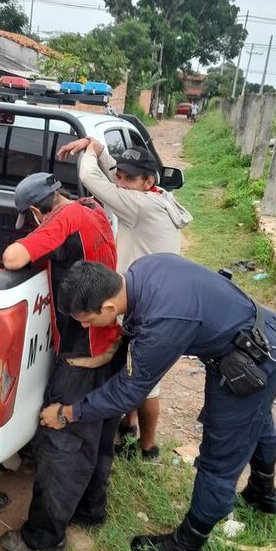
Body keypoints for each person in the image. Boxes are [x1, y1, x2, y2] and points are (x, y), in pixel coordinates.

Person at [39, 255, 276, 551]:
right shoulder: (143, 270)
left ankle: (186, 545)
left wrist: (67, 413)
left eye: (87, 320)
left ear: (107, 309)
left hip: (250, 359)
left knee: (221, 451)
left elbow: (129, 392)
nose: (86, 326)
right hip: (255, 333)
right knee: (257, 421)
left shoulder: (161, 323)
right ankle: (263, 492)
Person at [0, 172, 122, 551]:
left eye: (31, 218)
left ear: (37, 210)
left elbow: (12, 257)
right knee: (97, 434)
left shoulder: (63, 221)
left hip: (83, 348)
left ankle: (44, 535)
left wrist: (33, 239)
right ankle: (89, 510)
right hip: (110, 339)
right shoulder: (92, 209)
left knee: (62, 443)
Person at [56, 138, 192, 461]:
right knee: (130, 368)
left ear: (149, 182)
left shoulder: (141, 207)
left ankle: (149, 449)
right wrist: (98, 146)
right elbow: (111, 177)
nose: (121, 182)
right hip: (145, 295)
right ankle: (128, 428)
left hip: (151, 306)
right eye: (121, 174)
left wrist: (90, 152)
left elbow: (92, 181)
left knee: (147, 382)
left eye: (130, 178)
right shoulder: (157, 198)